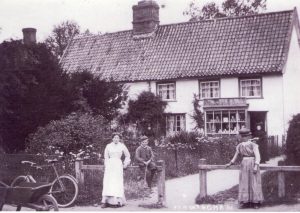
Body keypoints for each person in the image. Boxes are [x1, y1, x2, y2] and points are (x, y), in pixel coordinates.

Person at [226, 127, 264, 209]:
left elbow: (258, 156)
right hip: (244, 164)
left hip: (252, 163)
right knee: (244, 182)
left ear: (248, 136)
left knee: (254, 182)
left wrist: (256, 165)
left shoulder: (253, 145)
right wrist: (230, 162)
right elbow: (236, 155)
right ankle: (245, 201)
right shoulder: (239, 146)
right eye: (241, 136)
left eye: (244, 136)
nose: (242, 138)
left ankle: (255, 202)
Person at [101, 132, 131, 208]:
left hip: (118, 165)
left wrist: (125, 164)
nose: (116, 139)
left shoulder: (122, 146)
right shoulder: (108, 146)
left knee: (117, 182)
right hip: (110, 166)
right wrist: (106, 165)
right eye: (114, 137)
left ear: (119, 139)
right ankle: (105, 201)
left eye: (117, 138)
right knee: (108, 182)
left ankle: (117, 201)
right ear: (112, 138)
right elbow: (106, 157)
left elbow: (128, 155)